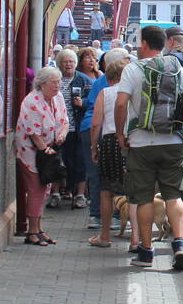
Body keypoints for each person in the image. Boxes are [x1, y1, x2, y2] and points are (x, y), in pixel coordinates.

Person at [116, 25, 183, 270]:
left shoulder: (133, 68)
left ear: (143, 44)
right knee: (173, 195)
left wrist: (121, 134)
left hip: (141, 142)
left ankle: (146, 252)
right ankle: (179, 245)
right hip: (172, 142)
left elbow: (121, 104)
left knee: (143, 198)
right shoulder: (176, 68)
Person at [15, 66, 69, 246]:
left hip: (50, 149)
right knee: (36, 188)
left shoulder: (58, 97)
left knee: (45, 188)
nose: (57, 86)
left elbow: (65, 121)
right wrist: (45, 151)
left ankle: (39, 229)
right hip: (32, 151)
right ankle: (31, 231)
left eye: (59, 82)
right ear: (42, 84)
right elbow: (32, 132)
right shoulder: (32, 101)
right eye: (54, 82)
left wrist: (62, 135)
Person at [88, 48, 135, 249]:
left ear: (109, 77)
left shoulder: (105, 92)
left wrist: (93, 147)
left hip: (109, 143)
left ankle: (105, 236)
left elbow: (96, 123)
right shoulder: (134, 93)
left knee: (107, 191)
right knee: (134, 192)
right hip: (131, 142)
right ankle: (136, 240)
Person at [55, 48, 93, 210]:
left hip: (77, 127)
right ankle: (55, 193)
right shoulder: (54, 79)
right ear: (59, 64)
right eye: (65, 62)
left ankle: (80, 195)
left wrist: (82, 103)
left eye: (71, 61)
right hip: (57, 128)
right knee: (56, 162)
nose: (68, 64)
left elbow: (92, 102)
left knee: (80, 161)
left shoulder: (84, 80)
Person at [76, 47, 105, 231]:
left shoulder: (99, 80)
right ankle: (112, 216)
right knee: (109, 176)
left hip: (90, 129)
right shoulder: (104, 82)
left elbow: (91, 107)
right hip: (101, 130)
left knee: (95, 174)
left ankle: (96, 215)